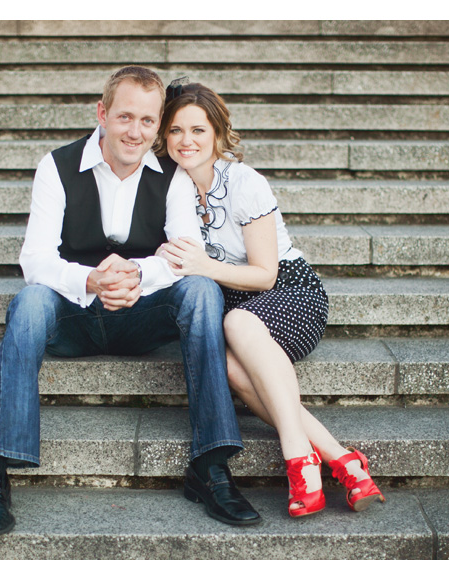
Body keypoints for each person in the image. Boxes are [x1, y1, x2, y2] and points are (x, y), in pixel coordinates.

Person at [0, 66, 262, 536]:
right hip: (74, 316)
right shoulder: (57, 166)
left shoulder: (174, 176)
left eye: (148, 121)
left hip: (142, 317)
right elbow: (35, 260)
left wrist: (138, 274)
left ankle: (211, 466)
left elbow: (188, 253)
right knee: (28, 304)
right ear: (102, 114)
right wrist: (93, 281)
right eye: (125, 117)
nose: (136, 131)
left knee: (203, 290)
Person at [155, 81, 385, 517]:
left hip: (291, 294)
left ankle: (298, 456)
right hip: (235, 305)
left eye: (198, 130)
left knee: (237, 325)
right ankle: (342, 459)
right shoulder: (173, 186)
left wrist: (203, 266)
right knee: (226, 364)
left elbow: (266, 275)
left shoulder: (244, 183)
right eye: (176, 130)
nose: (187, 141)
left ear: (218, 134)